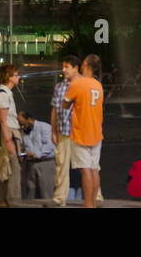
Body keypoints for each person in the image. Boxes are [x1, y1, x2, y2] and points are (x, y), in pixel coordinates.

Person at [64, 54, 104, 208]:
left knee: (85, 171)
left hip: (81, 133)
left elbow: (65, 104)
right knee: (94, 170)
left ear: (86, 64)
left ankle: (88, 205)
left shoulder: (77, 84)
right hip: (96, 133)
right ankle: (92, 203)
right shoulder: (98, 85)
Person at [0, 63, 22, 206]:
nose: (18, 76)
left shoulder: (5, 93)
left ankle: (2, 201)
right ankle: (13, 201)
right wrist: (9, 141)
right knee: (13, 169)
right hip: (8, 134)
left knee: (5, 169)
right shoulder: (3, 94)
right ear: (9, 77)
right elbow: (3, 120)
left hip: (8, 133)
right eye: (16, 74)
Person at [51, 55, 79, 206]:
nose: (63, 70)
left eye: (66, 67)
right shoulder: (59, 87)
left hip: (80, 132)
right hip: (63, 131)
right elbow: (55, 110)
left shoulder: (83, 84)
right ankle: (60, 198)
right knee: (61, 165)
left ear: (76, 68)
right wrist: (53, 131)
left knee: (88, 166)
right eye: (63, 67)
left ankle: (96, 196)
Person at [19, 111, 55, 201]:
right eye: (20, 125)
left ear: (30, 120)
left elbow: (50, 145)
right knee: (30, 195)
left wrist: (36, 154)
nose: (22, 127)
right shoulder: (22, 132)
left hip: (45, 164)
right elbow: (22, 149)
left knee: (46, 195)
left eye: (23, 124)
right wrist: (22, 154)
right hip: (29, 165)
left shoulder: (45, 127)